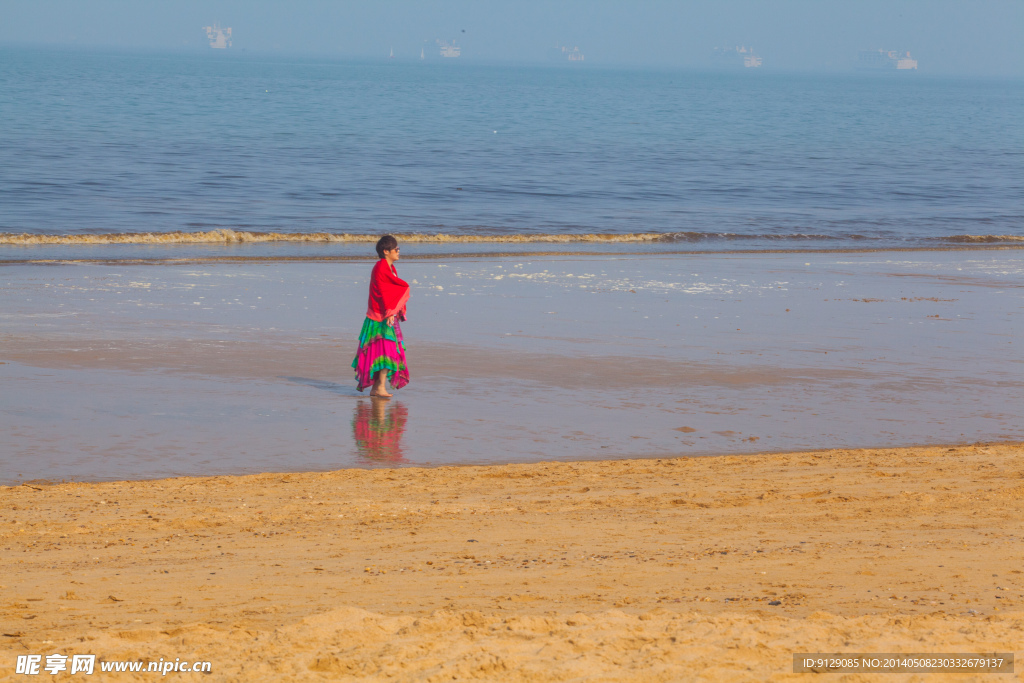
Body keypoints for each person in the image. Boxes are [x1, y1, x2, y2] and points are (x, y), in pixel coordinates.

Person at [351, 235, 410, 397]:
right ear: (386, 251)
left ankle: (378, 387)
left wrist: (393, 311)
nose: (398, 252)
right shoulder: (381, 268)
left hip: (387, 314)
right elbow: (382, 293)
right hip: (381, 316)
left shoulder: (389, 268)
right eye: (396, 249)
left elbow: (392, 290)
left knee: (386, 352)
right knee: (386, 352)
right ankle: (379, 387)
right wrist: (390, 311)